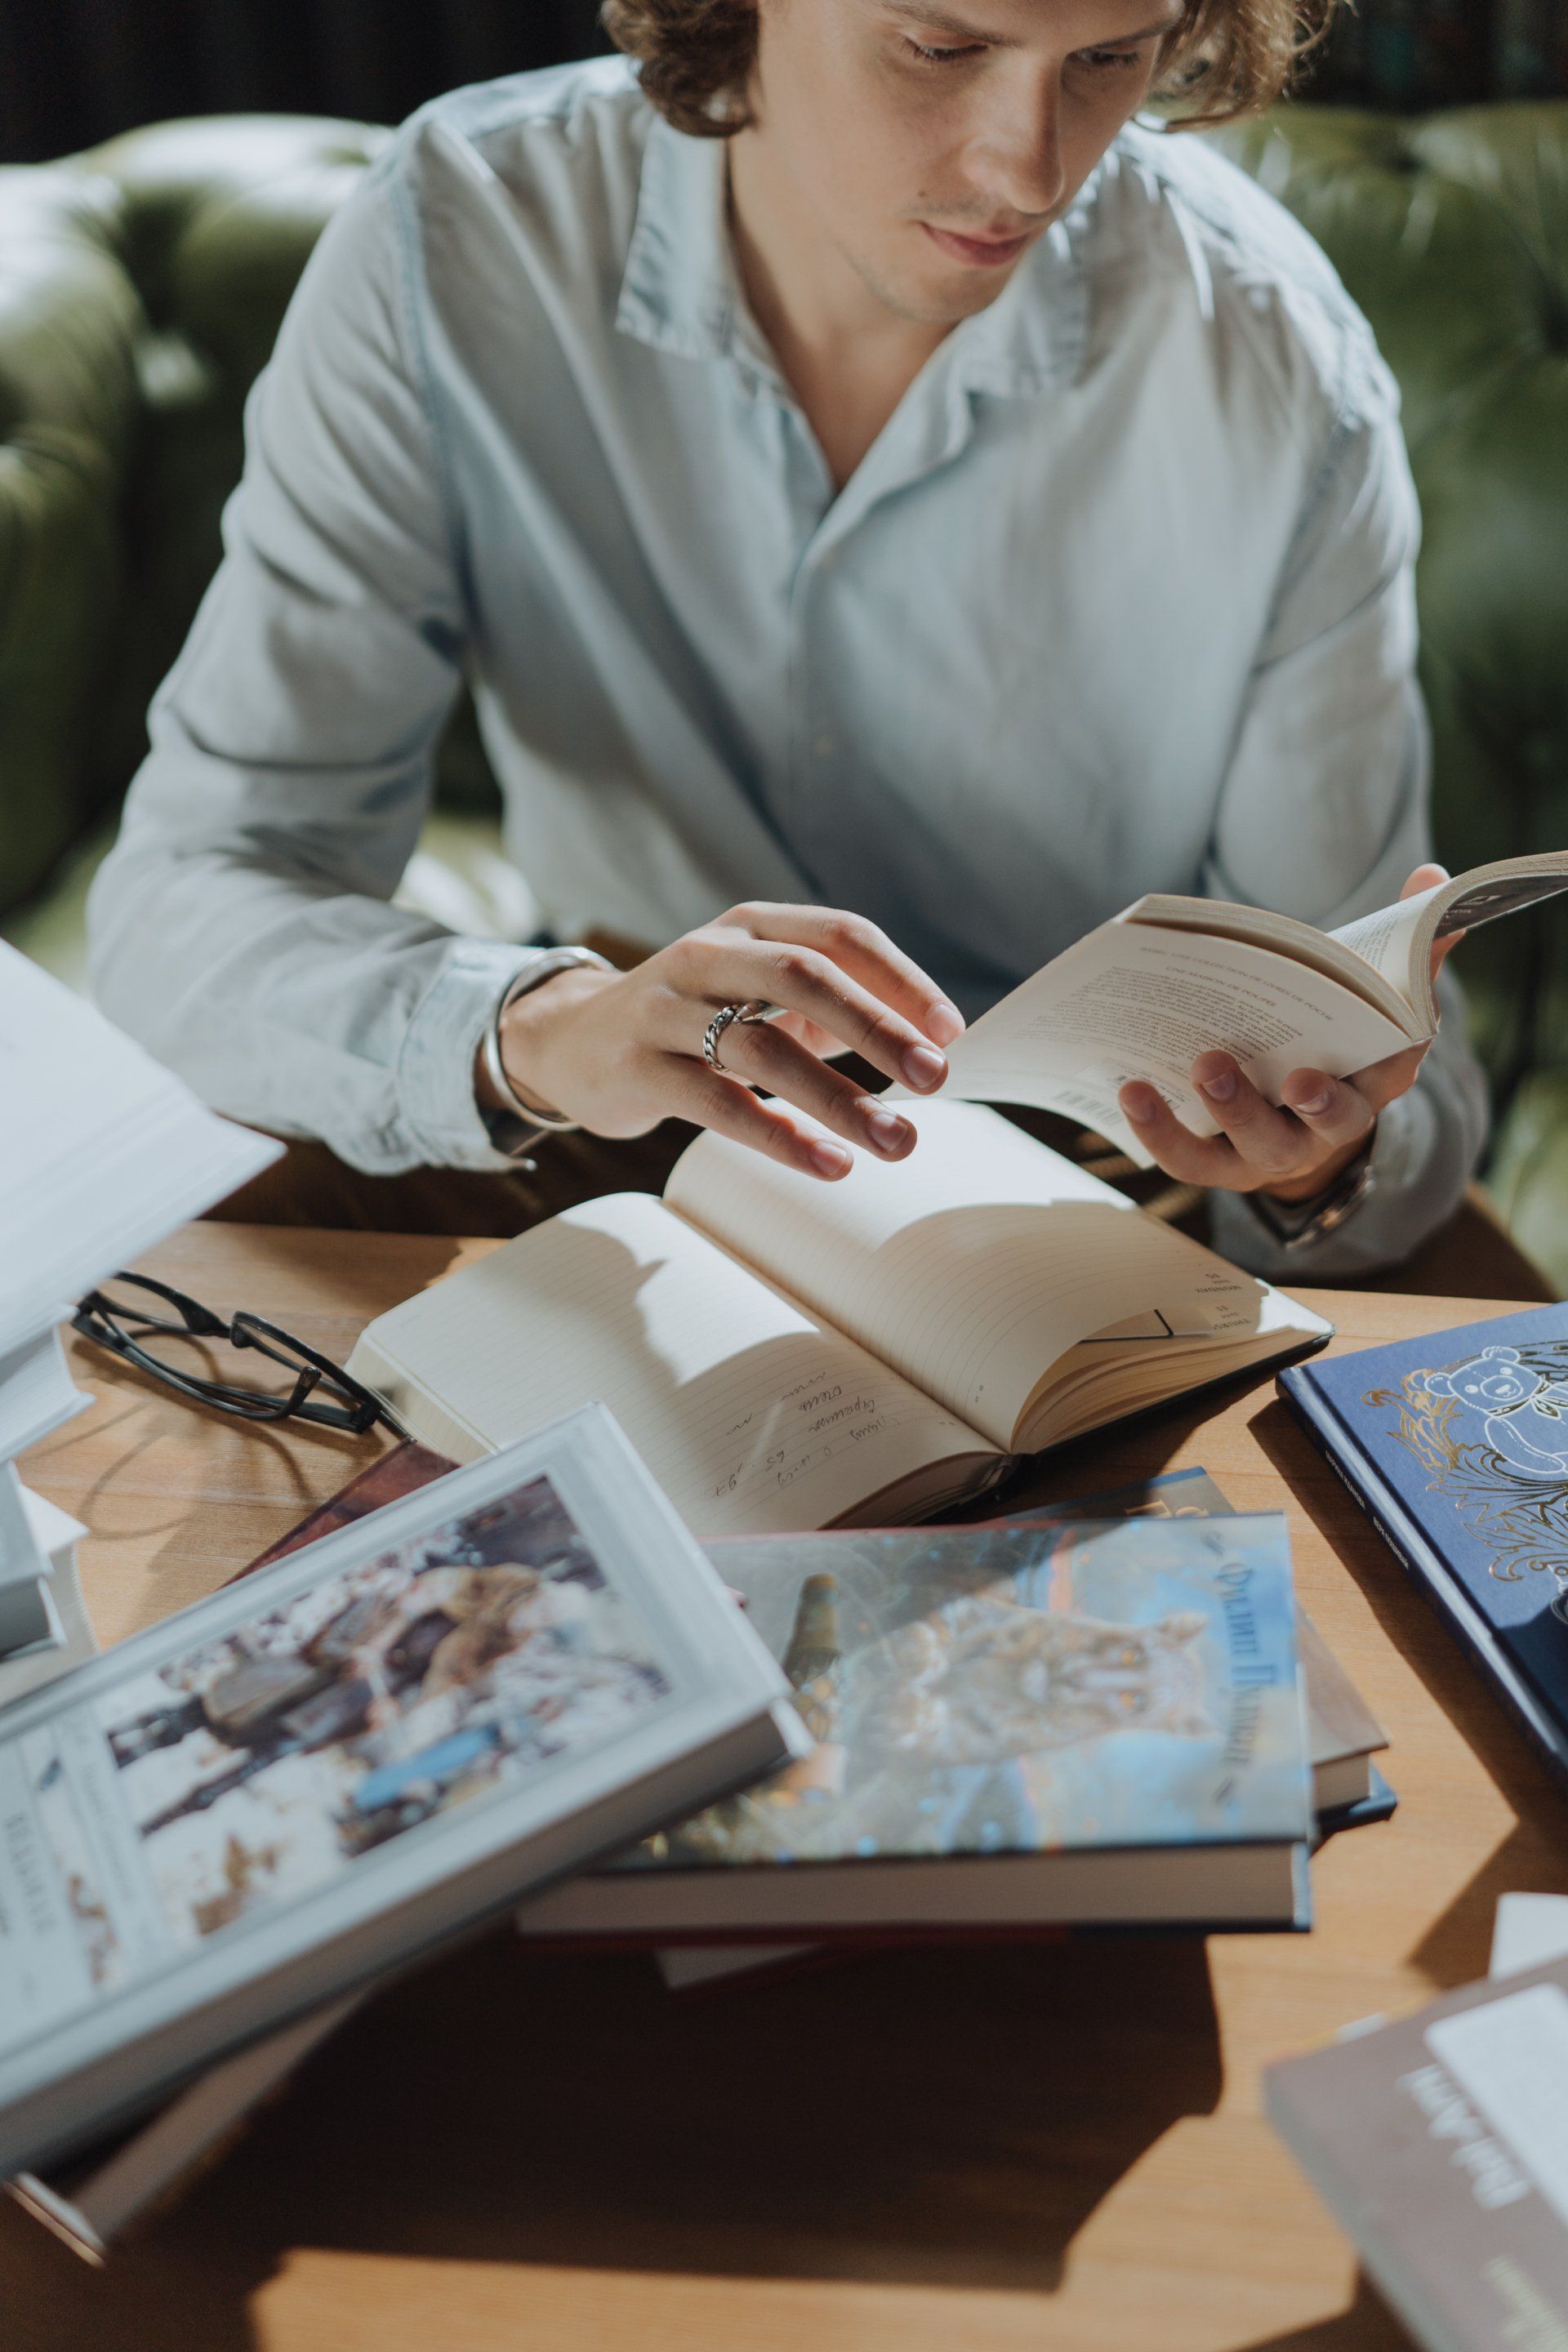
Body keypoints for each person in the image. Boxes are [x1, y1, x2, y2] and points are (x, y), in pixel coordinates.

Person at [87, 0, 1487, 1275]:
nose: (1029, 173)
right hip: (624, 1108)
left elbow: (1368, 1047)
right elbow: (192, 901)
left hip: (1115, 1185)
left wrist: (1323, 1156)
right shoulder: (461, 235)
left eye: (1110, 59)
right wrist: (538, 1031)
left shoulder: (1282, 371)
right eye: (939, 49)